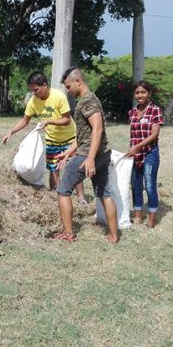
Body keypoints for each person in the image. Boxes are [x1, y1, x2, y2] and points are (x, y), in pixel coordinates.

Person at [55, 67, 119, 243]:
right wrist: (68, 152)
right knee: (105, 194)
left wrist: (90, 158)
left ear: (78, 81)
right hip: (101, 154)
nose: (68, 90)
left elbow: (98, 128)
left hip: (89, 156)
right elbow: (86, 133)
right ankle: (113, 236)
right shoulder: (89, 99)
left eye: (68, 86)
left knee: (63, 190)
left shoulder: (88, 100)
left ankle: (68, 234)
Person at [2, 71, 86, 202]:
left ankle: (81, 198)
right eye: (32, 90)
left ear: (45, 85)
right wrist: (11, 131)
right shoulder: (33, 101)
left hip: (69, 139)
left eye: (36, 90)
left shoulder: (59, 97)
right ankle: (55, 197)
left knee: (73, 169)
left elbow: (67, 120)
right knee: (53, 170)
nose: (34, 93)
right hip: (52, 140)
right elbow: (25, 120)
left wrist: (49, 121)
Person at [126, 81, 163, 228]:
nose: (140, 95)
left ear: (149, 94)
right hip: (135, 154)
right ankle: (138, 216)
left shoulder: (155, 110)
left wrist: (137, 147)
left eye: (143, 92)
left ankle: (152, 219)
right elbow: (133, 135)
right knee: (135, 185)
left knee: (149, 186)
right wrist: (131, 149)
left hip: (150, 153)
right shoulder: (132, 112)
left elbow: (154, 135)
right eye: (137, 93)